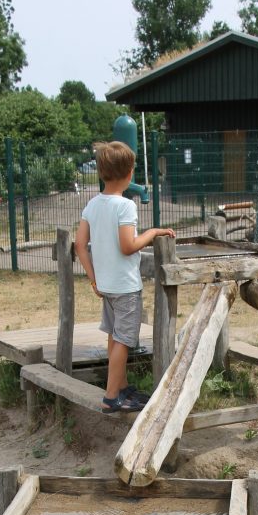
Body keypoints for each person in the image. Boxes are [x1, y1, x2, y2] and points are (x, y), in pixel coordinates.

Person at [74, 141, 175, 413]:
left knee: (113, 335)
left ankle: (120, 386)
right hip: (125, 287)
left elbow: (80, 245)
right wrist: (153, 232)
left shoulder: (92, 205)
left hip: (106, 285)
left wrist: (93, 277)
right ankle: (111, 398)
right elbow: (128, 245)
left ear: (101, 172)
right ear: (130, 173)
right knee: (124, 340)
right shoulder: (125, 206)